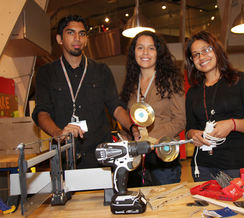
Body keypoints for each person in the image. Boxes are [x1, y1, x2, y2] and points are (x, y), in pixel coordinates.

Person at [32, 15, 140, 169]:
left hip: (101, 154)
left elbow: (115, 106)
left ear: (86, 39)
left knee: (106, 193)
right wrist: (58, 133)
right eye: (70, 33)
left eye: (81, 34)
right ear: (59, 39)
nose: (77, 38)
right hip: (66, 156)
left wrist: (132, 127)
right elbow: (42, 111)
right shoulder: (46, 73)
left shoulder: (101, 70)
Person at [184, 31, 244, 181]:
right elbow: (189, 129)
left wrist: (232, 124)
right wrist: (193, 135)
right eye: (195, 54)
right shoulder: (192, 92)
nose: (201, 57)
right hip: (202, 166)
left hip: (235, 164)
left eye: (206, 50)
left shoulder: (239, 80)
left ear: (217, 49)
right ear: (192, 60)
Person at [120, 31, 186, 186]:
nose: (145, 53)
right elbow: (129, 120)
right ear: (133, 52)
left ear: (158, 52)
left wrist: (147, 140)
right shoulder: (130, 84)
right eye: (140, 48)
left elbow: (180, 121)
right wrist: (124, 136)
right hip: (135, 161)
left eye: (151, 48)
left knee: (166, 208)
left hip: (163, 159)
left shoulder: (171, 81)